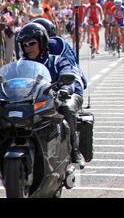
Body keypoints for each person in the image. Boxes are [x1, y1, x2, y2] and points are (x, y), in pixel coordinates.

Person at [16, 23, 86, 168]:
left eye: (32, 43)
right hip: (31, 102)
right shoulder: (19, 66)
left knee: (67, 107)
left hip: (55, 99)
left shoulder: (56, 60)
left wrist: (66, 88)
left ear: (41, 42)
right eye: (25, 44)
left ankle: (74, 150)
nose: (28, 47)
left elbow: (70, 74)